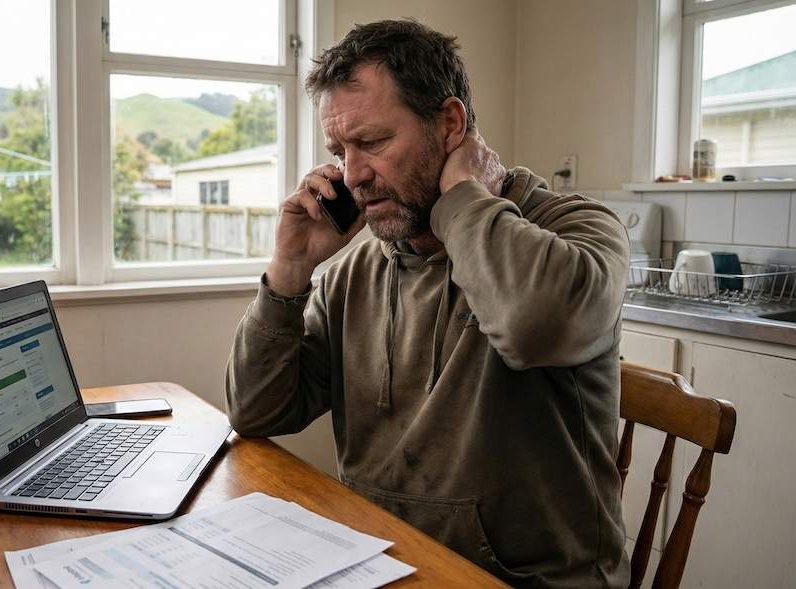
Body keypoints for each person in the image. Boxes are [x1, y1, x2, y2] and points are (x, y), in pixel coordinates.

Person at [225, 19, 631, 588]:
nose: (353, 175)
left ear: (450, 124)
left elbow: (537, 327)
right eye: (340, 151)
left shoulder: (576, 228)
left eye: (372, 142)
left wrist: (463, 195)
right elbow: (257, 412)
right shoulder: (358, 268)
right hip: (381, 562)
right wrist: (290, 271)